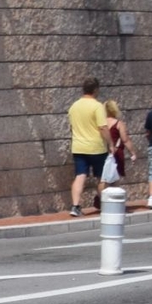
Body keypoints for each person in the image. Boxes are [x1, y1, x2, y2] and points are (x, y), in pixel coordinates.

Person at [66, 77, 107, 216]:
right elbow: (102, 127)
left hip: (78, 147)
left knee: (80, 176)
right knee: (101, 177)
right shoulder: (97, 106)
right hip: (96, 147)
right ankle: (104, 205)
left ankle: (75, 206)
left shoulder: (74, 106)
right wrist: (111, 144)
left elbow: (72, 127)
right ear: (95, 90)